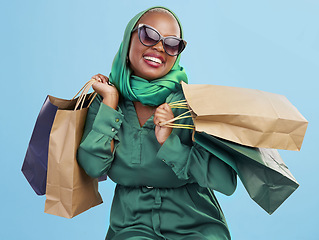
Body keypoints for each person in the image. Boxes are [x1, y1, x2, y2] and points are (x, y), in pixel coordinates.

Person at [77, 6, 237, 240]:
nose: (160, 47)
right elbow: (93, 167)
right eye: (149, 35)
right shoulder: (103, 102)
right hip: (131, 226)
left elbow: (225, 181)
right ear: (128, 39)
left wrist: (169, 142)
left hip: (196, 226)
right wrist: (110, 102)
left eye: (172, 44)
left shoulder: (192, 104)